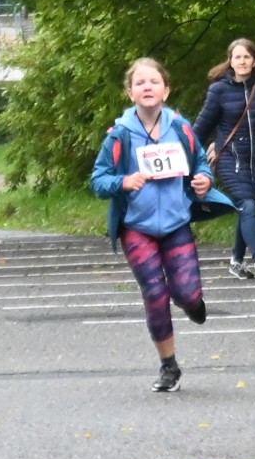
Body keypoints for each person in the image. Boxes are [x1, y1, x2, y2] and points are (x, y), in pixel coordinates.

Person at [90, 57, 217, 394]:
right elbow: (99, 180)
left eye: (153, 82)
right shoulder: (119, 135)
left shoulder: (181, 128)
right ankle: (168, 365)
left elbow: (200, 163)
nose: (147, 87)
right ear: (130, 92)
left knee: (186, 294)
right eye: (140, 83)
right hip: (137, 227)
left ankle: (192, 302)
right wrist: (124, 181)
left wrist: (204, 178)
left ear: (166, 90)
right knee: (155, 293)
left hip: (176, 224)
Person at [198, 38, 255, 280]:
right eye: (238, 57)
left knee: (247, 207)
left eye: (247, 57)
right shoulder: (219, 90)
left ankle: (236, 261)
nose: (243, 61)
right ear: (231, 61)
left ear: (254, 61)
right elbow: (202, 126)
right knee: (247, 203)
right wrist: (187, 152)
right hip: (229, 158)